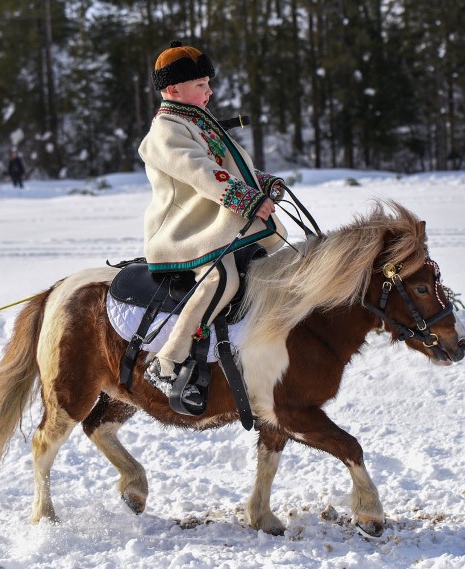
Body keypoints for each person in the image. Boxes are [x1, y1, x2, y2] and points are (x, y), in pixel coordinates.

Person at [138, 40, 287, 413]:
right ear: (174, 90)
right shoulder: (165, 132)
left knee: (271, 259)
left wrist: (263, 183)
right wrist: (247, 199)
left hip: (213, 219)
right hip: (184, 231)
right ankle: (170, 359)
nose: (210, 91)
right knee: (221, 278)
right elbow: (203, 173)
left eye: (208, 83)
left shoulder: (196, 123)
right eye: (201, 85)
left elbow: (232, 169)